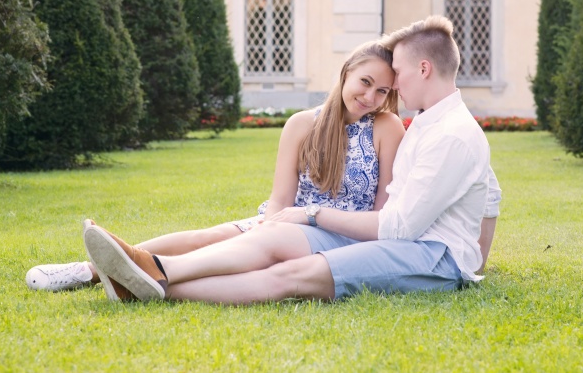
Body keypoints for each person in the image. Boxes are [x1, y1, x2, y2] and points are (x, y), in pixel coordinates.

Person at [83, 15, 501, 304]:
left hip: (428, 253)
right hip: (391, 238)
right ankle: (154, 268)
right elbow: (489, 190)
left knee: (291, 275)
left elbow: (396, 226)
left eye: (398, 75)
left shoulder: (451, 134)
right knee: (272, 238)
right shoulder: (430, 123)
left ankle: (152, 282)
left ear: (423, 69)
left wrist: (470, 261)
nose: (393, 88)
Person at [26, 40, 405, 296]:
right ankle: (89, 271)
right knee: (208, 236)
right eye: (365, 82)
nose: (370, 97)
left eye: (382, 91)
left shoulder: (386, 128)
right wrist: (266, 226)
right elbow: (280, 198)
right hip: (283, 222)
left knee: (235, 253)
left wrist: (290, 229)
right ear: (346, 73)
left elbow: (380, 215)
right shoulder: (302, 124)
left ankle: (146, 274)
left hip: (338, 236)